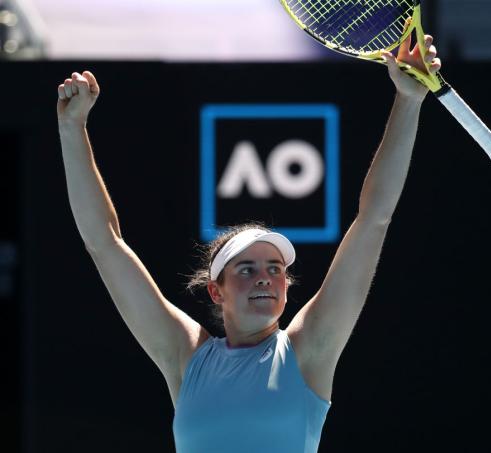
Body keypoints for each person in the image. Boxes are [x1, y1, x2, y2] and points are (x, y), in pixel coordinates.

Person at [57, 34, 441, 453]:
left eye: (275, 269)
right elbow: (104, 243)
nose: (266, 278)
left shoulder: (309, 349)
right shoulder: (186, 357)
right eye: (248, 268)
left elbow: (374, 220)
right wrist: (71, 127)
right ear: (215, 291)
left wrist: (408, 101)